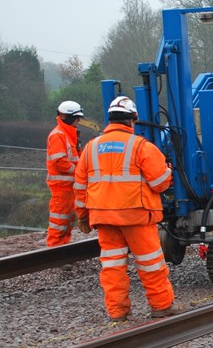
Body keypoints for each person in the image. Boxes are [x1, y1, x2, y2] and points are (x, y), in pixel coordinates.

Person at [74, 96, 183, 322]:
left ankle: (118, 312)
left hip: (103, 217)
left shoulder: (91, 148)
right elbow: (160, 182)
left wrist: (83, 216)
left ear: (110, 119)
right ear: (132, 120)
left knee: (112, 267)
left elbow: (80, 186)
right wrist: (168, 170)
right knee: (151, 263)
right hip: (136, 215)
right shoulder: (141, 146)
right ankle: (161, 306)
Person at [45, 100, 84, 246]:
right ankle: (54, 254)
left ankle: (61, 253)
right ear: (67, 117)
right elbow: (59, 162)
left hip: (69, 187)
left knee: (66, 223)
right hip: (62, 188)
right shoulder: (58, 135)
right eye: (77, 118)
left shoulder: (68, 135)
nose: (79, 121)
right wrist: (79, 172)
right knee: (59, 224)